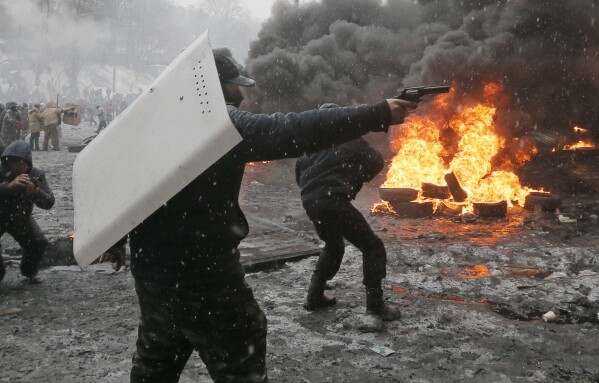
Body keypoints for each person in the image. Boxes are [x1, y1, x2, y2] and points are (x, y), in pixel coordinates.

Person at [100, 52, 416, 383]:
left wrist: (114, 237)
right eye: (236, 86)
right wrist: (378, 113)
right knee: (240, 360)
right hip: (207, 277)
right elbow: (291, 130)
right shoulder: (220, 124)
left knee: (155, 363)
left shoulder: (153, 127)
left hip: (153, 276)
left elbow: (123, 182)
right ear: (214, 86)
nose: (242, 94)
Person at [295, 103, 399, 320]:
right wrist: (358, 176)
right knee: (372, 246)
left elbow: (300, 175)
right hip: (332, 200)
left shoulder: (310, 144)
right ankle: (375, 307)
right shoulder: (348, 136)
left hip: (311, 202)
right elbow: (377, 161)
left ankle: (314, 296)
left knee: (333, 246)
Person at [0, 141, 55, 284]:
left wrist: (36, 193)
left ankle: (29, 270)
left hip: (20, 217)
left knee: (38, 242)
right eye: (12, 163)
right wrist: (8, 186)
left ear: (27, 163)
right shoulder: (1, 172)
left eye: (20, 163)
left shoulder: (36, 174)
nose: (16, 167)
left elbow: (49, 202)